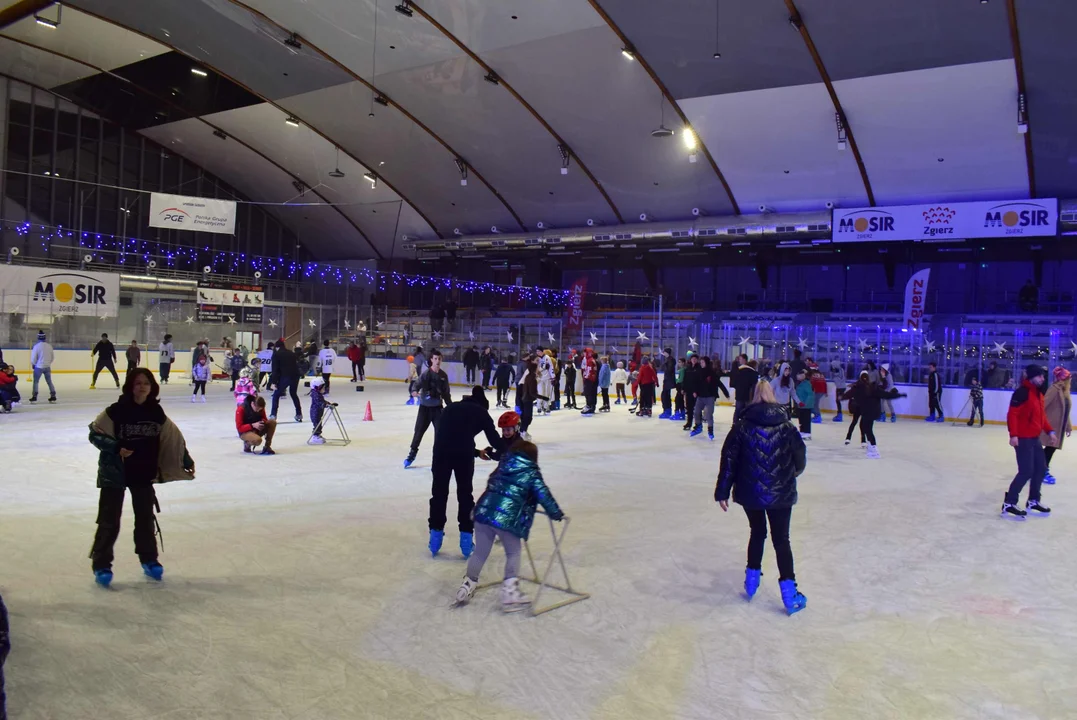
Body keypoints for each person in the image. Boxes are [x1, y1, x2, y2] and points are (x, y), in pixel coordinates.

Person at [87, 368, 195, 587]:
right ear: (130, 386)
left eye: (146, 383)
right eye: (138, 383)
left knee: (145, 519)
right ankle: (101, 564)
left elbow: (172, 439)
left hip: (143, 472)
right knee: (109, 521)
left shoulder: (156, 412)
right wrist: (116, 447)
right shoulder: (115, 411)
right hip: (115, 473)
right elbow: (95, 434)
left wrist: (185, 460)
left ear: (152, 386)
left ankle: (149, 559)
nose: (142, 387)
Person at [455, 410, 564, 612]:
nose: (506, 432)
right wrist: (556, 513)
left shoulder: (505, 462)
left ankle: (467, 584)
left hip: (483, 512)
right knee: (513, 551)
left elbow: (492, 481)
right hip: (506, 517)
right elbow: (543, 493)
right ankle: (510, 594)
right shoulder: (531, 469)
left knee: (480, 551)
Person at [715, 380, 808, 615]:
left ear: (754, 396)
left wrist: (723, 491)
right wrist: (790, 474)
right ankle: (790, 592)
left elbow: (728, 461)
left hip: (751, 491)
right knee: (781, 540)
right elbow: (800, 458)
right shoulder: (787, 426)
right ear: (773, 396)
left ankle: (751, 582)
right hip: (781, 492)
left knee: (757, 533)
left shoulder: (741, 426)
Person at [428, 386, 504, 558]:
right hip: (463, 454)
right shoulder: (481, 412)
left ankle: (435, 537)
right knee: (465, 494)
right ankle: (466, 540)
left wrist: (477, 452)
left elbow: (451, 436)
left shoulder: (451, 408)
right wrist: (512, 448)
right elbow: (495, 441)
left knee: (439, 493)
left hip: (440, 452)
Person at [1002, 364, 1056, 519]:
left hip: (1035, 438)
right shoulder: (1022, 393)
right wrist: (1013, 435)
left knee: (1040, 469)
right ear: (1032, 377)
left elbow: (1041, 417)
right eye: (1040, 376)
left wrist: (1050, 431)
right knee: (1026, 471)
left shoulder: (1038, 394)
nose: (1043, 378)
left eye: (1043, 376)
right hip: (1023, 438)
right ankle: (1009, 503)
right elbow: (1012, 414)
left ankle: (1033, 500)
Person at [842, 371, 906, 458]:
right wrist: (899, 395)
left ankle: (874, 450)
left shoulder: (858, 387)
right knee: (867, 428)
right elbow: (886, 395)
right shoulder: (873, 387)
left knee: (867, 429)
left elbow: (848, 395)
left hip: (867, 412)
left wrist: (840, 397)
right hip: (874, 412)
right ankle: (871, 447)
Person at [405, 349, 451, 468]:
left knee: (440, 435)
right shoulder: (426, 374)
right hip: (425, 409)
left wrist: (451, 407)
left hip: (437, 409)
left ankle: (438, 458)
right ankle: (412, 454)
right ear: (431, 360)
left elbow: (446, 394)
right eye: (435, 359)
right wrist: (415, 392)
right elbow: (415, 386)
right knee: (418, 432)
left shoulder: (443, 376)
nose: (437, 361)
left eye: (439, 359)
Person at [1041, 367, 1071, 485]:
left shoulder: (1064, 391)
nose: (1070, 381)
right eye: (1069, 378)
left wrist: (1068, 425)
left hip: (1059, 426)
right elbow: (1043, 405)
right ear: (1064, 379)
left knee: (1051, 449)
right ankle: (1041, 471)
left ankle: (1040, 469)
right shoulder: (1055, 389)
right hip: (1051, 425)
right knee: (1050, 448)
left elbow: (1065, 410)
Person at [270, 340, 303, 422]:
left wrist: (273, 382)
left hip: (285, 376)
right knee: (293, 394)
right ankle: (299, 414)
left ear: (277, 347)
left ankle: (273, 414)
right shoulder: (291, 353)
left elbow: (275, 369)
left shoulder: (276, 355)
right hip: (295, 376)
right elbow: (297, 360)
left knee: (276, 395)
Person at [690, 356, 720, 438]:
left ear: (706, 363)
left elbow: (718, 383)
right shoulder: (699, 371)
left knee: (709, 415)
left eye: (703, 362)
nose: (701, 364)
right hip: (700, 396)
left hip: (709, 397)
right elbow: (695, 382)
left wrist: (726, 393)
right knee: (696, 412)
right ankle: (698, 426)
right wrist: (694, 391)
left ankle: (710, 431)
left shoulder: (712, 372)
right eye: (701, 362)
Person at [518, 359, 545, 440]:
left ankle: (523, 431)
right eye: (537, 362)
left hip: (525, 394)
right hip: (524, 393)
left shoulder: (532, 373)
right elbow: (530, 386)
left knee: (526, 415)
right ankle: (522, 431)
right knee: (527, 416)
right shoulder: (530, 374)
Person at [30, 330, 56, 403]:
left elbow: (33, 358)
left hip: (38, 367)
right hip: (47, 366)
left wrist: (33, 364)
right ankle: (53, 395)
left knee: (36, 382)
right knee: (49, 381)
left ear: (38, 337)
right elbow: (52, 357)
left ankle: (34, 396)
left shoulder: (36, 346)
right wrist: (48, 363)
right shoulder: (49, 346)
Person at [730, 354, 759, 421]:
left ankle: (735, 425)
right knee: (747, 412)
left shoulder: (739, 371)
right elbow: (755, 385)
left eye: (740, 359)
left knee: (738, 411)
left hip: (740, 395)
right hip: (749, 396)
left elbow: (733, 382)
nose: (739, 361)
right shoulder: (753, 373)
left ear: (744, 360)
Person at [308, 377, 332, 445]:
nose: (324, 389)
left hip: (318, 412)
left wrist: (328, 403)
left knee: (319, 424)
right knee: (317, 425)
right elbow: (319, 402)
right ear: (317, 388)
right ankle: (315, 437)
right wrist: (325, 405)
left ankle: (317, 435)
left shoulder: (318, 394)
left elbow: (322, 401)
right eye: (322, 387)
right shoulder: (315, 394)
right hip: (315, 413)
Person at [682, 353, 702, 431]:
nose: (694, 360)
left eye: (695, 359)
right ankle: (689, 423)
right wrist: (683, 388)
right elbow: (685, 379)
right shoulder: (688, 368)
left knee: (697, 409)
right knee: (689, 408)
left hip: (696, 393)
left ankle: (698, 424)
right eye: (692, 359)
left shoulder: (699, 369)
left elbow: (699, 382)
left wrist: (696, 391)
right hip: (689, 392)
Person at [793, 368, 814, 440]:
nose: (797, 377)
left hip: (806, 406)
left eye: (799, 375)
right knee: (801, 419)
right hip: (800, 405)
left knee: (806, 419)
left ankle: (807, 433)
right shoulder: (799, 383)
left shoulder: (806, 384)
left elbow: (810, 394)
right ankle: (802, 432)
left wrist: (806, 403)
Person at [660, 348, 677, 418]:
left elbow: (669, 369)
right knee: (665, 395)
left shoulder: (671, 360)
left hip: (669, 380)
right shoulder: (668, 360)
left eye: (664, 352)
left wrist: (665, 366)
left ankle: (667, 410)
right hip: (667, 380)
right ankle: (666, 410)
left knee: (665, 395)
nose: (663, 353)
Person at [580, 348, 598, 415]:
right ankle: (591, 406)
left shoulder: (590, 360)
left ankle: (589, 406)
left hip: (589, 379)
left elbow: (589, 370)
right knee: (590, 393)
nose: (584, 354)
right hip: (591, 379)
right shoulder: (590, 360)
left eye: (585, 352)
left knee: (588, 393)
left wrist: (585, 377)